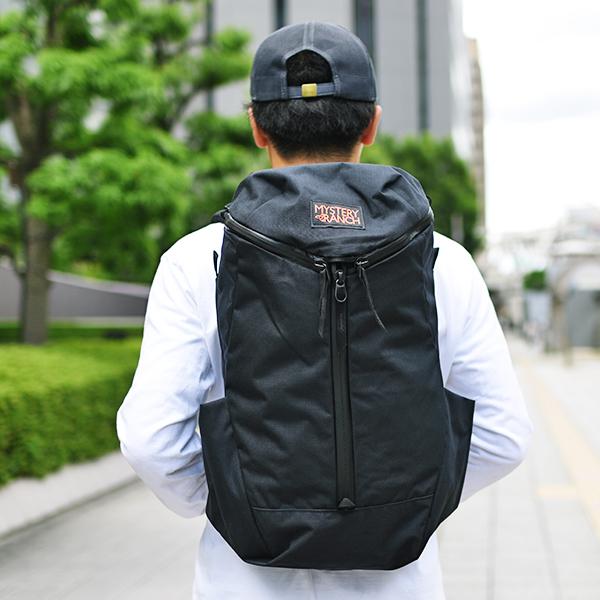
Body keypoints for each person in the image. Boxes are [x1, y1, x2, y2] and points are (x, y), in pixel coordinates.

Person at [116, 21, 533, 600]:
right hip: (399, 585)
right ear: (372, 124)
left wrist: (240, 503)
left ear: (257, 126)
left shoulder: (197, 259)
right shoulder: (443, 261)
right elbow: (504, 436)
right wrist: (404, 505)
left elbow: (151, 440)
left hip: (243, 582)